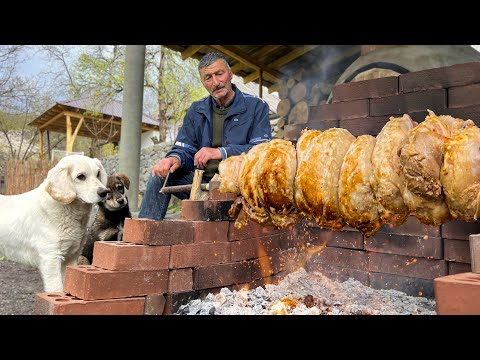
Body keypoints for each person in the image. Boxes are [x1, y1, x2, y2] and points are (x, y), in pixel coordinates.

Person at [138, 51, 272, 220]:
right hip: (202, 183)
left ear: (230, 74)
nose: (215, 82)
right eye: (208, 78)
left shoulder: (256, 106)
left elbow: (262, 151)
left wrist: (221, 152)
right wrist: (175, 158)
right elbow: (184, 147)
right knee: (160, 175)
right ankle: (143, 237)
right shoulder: (196, 110)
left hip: (241, 184)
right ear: (203, 83)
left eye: (219, 74)